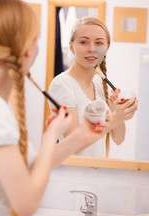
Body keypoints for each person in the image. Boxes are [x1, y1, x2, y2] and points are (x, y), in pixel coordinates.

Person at [0, 2, 112, 216]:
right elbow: (26, 202)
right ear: (27, 49)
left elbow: (29, 171)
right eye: (36, 39)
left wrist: (79, 136)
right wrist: (49, 139)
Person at [49, 17, 138, 157]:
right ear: (71, 47)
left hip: (98, 172)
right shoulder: (62, 85)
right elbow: (73, 147)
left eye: (99, 43)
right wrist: (115, 116)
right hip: (74, 173)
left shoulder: (100, 83)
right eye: (84, 42)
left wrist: (117, 111)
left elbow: (119, 139)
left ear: (106, 48)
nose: (92, 49)